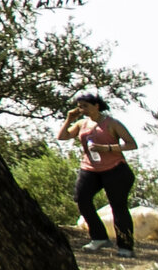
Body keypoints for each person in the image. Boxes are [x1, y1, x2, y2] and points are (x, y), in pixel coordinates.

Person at [57, 91, 138, 257]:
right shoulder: (81, 124)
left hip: (115, 169)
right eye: (80, 107)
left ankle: (126, 246)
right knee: (81, 199)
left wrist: (107, 148)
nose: (82, 110)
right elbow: (62, 136)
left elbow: (131, 144)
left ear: (96, 106)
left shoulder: (111, 123)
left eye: (85, 106)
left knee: (118, 206)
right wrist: (69, 119)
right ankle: (99, 237)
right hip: (90, 169)